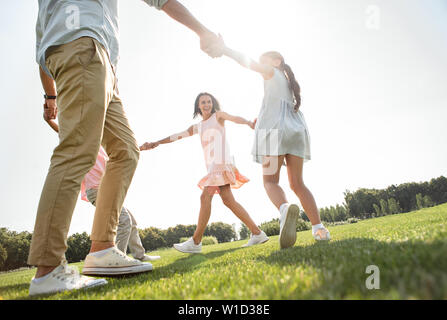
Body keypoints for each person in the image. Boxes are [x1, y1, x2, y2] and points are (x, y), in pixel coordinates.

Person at [29, 0, 224, 296]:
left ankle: (102, 250)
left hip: (98, 61)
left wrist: (50, 96)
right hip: (83, 45)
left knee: (126, 151)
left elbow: (42, 46)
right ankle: (48, 268)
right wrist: (202, 31)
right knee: (77, 151)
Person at [218, 41, 331, 249]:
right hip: (296, 132)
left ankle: (284, 209)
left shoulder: (271, 72)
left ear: (277, 62)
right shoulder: (289, 83)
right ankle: (319, 228)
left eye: (265, 61)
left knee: (270, 181)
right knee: (298, 183)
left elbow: (248, 63)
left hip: (272, 134)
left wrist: (225, 49)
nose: (262, 64)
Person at [140, 93, 269, 253]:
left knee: (205, 196)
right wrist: (156, 143)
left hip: (220, 165)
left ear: (213, 104)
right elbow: (177, 136)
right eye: (203, 102)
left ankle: (195, 241)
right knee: (228, 201)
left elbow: (234, 118)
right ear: (198, 106)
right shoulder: (198, 127)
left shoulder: (218, 116)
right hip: (214, 167)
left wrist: (249, 122)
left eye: (209, 101)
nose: (207, 104)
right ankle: (257, 233)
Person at [44, 118, 161, 262]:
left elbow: (123, 152)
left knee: (132, 221)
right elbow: (62, 130)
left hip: (106, 188)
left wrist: (141, 147)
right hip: (95, 190)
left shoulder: (102, 146)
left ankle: (140, 255)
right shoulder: (81, 142)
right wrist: (49, 121)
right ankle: (117, 259)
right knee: (124, 221)